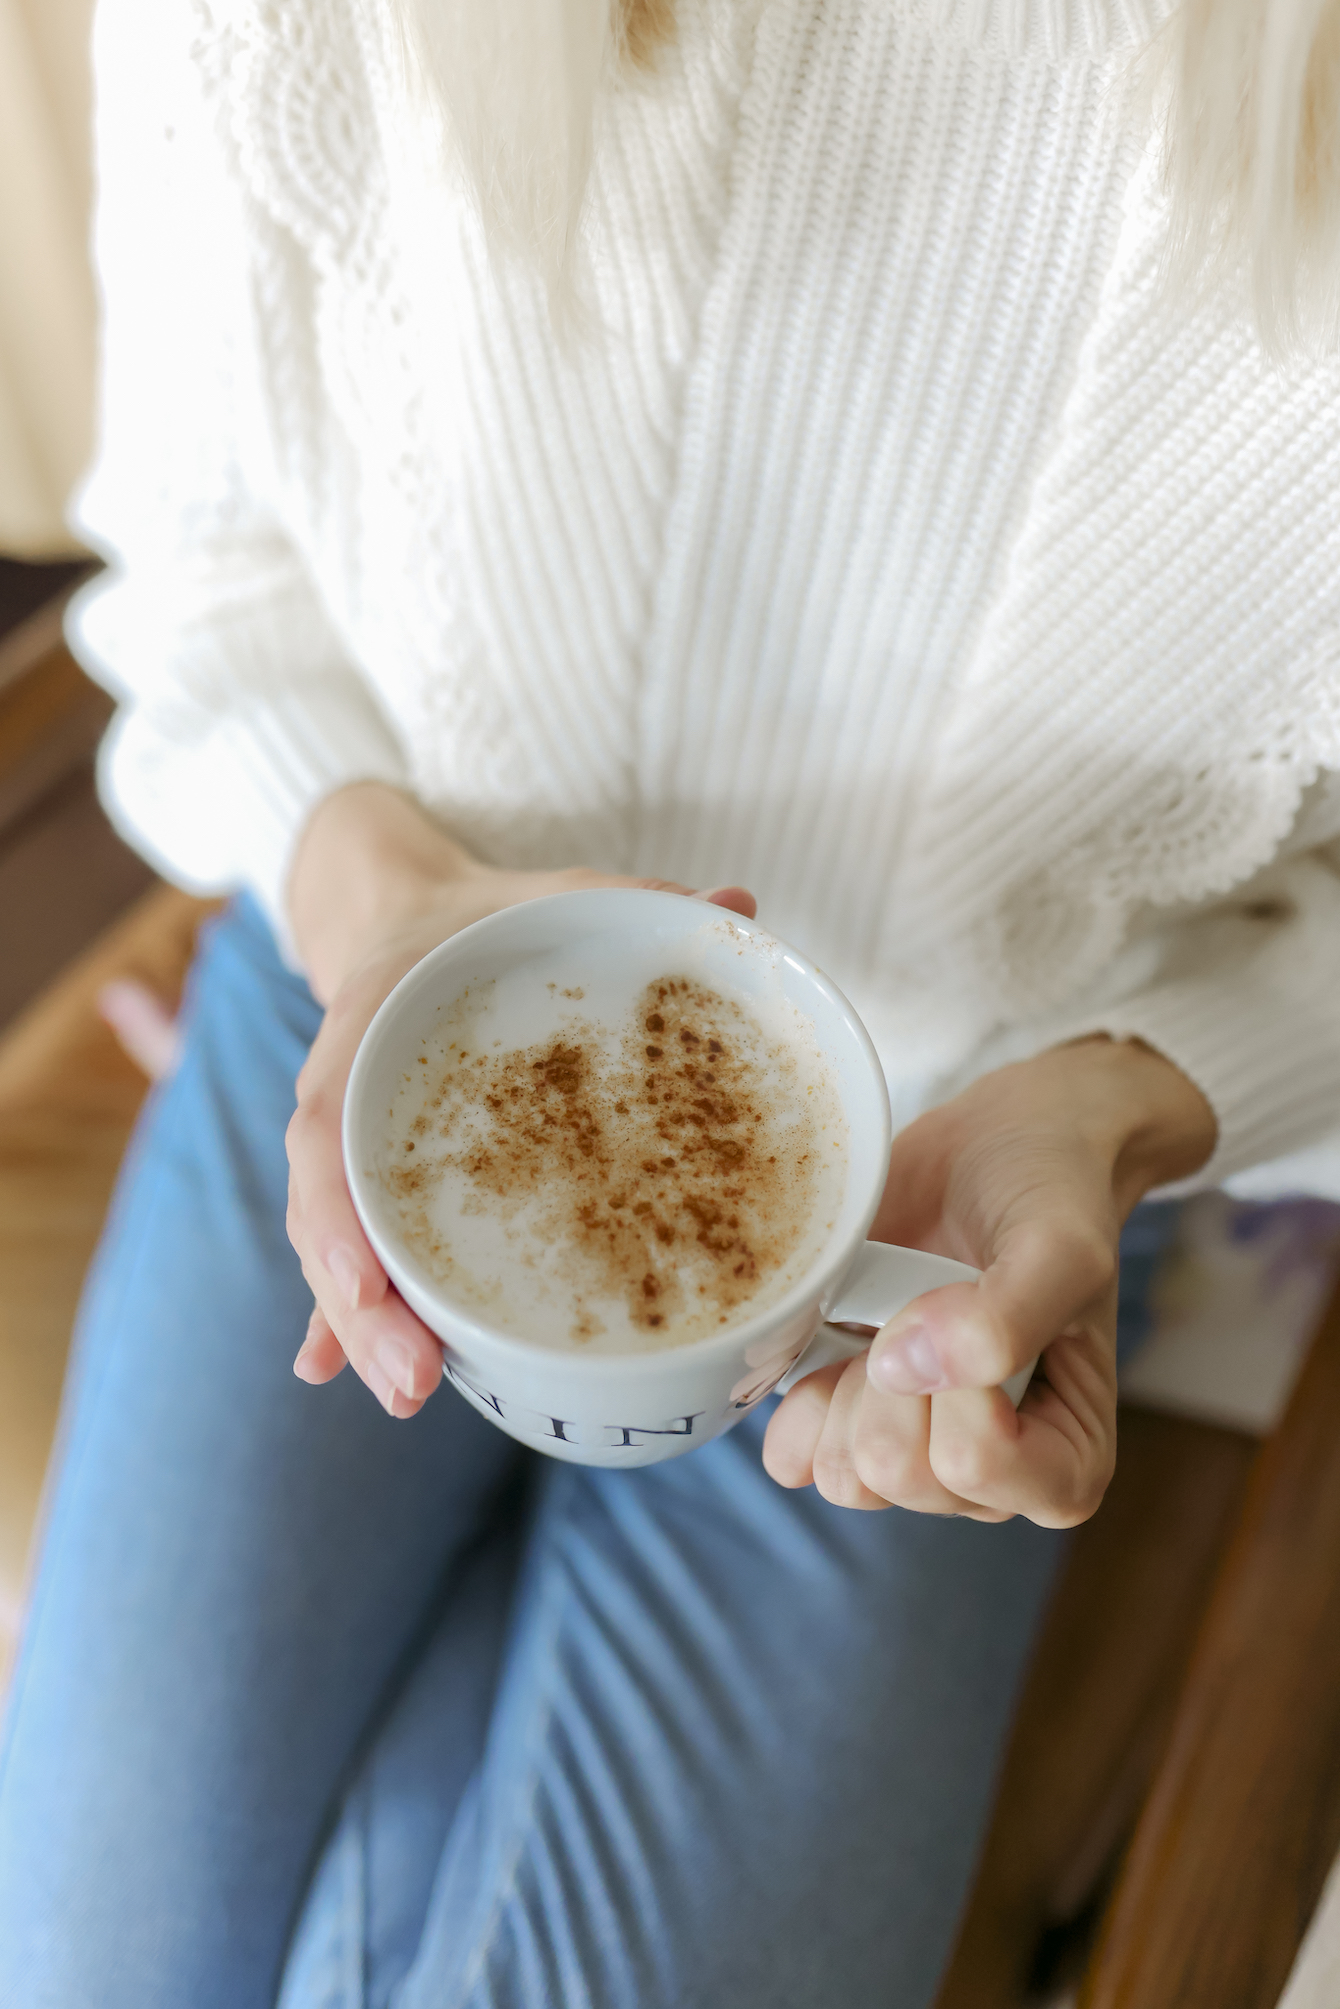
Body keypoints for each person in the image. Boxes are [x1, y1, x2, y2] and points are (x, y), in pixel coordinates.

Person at [2, 0, 1339, 2003]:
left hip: (967, 1169)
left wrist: (1137, 1099)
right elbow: (201, 560)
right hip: (364, 1001)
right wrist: (366, 888)